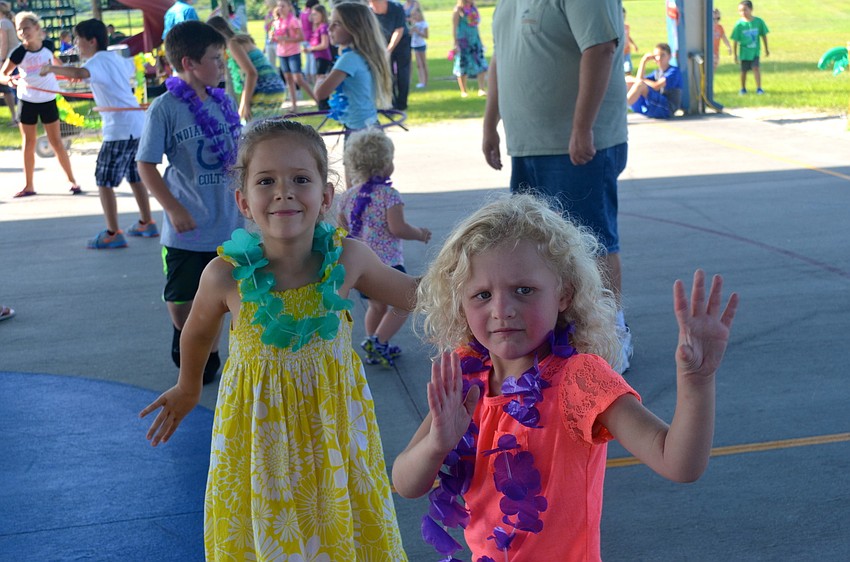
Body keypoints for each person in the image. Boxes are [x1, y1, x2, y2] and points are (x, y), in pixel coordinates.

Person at [392, 194, 739, 560]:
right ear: (460, 304)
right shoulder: (466, 378)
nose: (502, 310)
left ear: (564, 294)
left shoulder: (580, 380)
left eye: (523, 290)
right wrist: (437, 443)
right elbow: (405, 481)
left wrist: (697, 382)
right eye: (482, 295)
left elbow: (678, 463)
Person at [139, 118, 413, 560]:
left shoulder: (349, 259)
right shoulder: (225, 275)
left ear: (326, 197)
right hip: (259, 439)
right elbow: (197, 332)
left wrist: (480, 278)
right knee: (271, 534)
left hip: (333, 434)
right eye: (266, 181)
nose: (283, 192)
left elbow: (415, 295)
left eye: (300, 179)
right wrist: (188, 386)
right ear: (243, 201)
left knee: (339, 531)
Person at [481, 0, 632, 371]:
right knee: (535, 247)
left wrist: (582, 127)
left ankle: (610, 337)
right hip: (528, 144)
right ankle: (559, 338)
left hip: (576, 146)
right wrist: (490, 123)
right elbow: (501, 59)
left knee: (592, 244)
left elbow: (600, 49)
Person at [136, 20, 244, 383]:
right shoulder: (165, 108)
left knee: (222, 295)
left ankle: (207, 345)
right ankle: (184, 331)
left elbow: (240, 154)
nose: (222, 65)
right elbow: (145, 164)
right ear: (189, 63)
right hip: (187, 228)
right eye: (215, 58)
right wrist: (173, 208)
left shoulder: (224, 102)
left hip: (228, 224)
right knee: (182, 297)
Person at [40, 19, 156, 249]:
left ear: (92, 41)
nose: (76, 44)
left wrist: (51, 68)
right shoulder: (114, 58)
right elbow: (94, 74)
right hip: (136, 126)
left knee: (104, 181)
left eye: (78, 39)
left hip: (119, 130)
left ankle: (113, 233)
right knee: (135, 176)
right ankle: (147, 222)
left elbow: (80, 72)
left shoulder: (97, 61)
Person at [337, 128, 431, 366]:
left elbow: (342, 229)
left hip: (361, 266)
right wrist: (420, 234)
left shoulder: (347, 196)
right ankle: (378, 341)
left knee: (376, 306)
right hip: (387, 264)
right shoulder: (389, 195)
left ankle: (373, 344)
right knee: (407, 301)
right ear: (384, 165)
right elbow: (398, 228)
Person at [1, 11, 80, 198]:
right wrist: (9, 80)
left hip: (48, 99)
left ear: (37, 28)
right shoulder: (19, 53)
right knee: (29, 143)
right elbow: (3, 74)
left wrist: (67, 74)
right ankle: (28, 186)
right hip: (28, 100)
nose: (23, 32)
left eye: (26, 28)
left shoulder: (48, 46)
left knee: (56, 142)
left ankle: (72, 181)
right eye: (19, 30)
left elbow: (55, 62)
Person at [315, 1, 392, 133]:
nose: (329, 28)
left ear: (354, 28)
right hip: (370, 125)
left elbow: (320, 94)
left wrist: (320, 80)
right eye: (330, 22)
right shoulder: (363, 55)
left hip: (359, 131)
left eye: (337, 24)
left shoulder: (349, 59)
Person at [208, 15, 286, 121]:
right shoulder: (242, 39)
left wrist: (246, 104)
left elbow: (251, 73)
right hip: (276, 86)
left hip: (264, 88)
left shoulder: (233, 44)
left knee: (251, 127)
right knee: (264, 127)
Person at [272, 0, 317, 113]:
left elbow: (301, 38)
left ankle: (317, 100)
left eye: (283, 6)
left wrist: (286, 39)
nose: (280, 8)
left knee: (298, 79)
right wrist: (274, 38)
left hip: (293, 52)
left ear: (289, 7)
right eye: (279, 6)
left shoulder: (293, 20)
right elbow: (275, 36)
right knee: (288, 79)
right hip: (282, 53)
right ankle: (294, 106)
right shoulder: (277, 21)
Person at [369, 0, 410, 111]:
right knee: (387, 72)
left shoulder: (396, 7)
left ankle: (402, 103)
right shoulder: (369, 11)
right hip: (382, 42)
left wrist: (389, 50)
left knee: (403, 72)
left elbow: (399, 30)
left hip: (402, 41)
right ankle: (391, 102)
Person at [625, 43, 683, 119]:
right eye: (656, 56)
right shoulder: (657, 72)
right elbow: (639, 80)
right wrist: (643, 61)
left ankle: (620, 109)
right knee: (629, 82)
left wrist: (640, 81)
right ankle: (617, 107)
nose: (659, 58)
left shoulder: (673, 71)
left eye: (662, 55)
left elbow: (656, 86)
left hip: (667, 108)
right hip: (655, 105)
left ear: (669, 56)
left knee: (640, 84)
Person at [731, 0, 769, 95]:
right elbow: (735, 41)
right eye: (740, 11)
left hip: (755, 51)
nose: (743, 13)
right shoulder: (739, 25)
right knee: (743, 71)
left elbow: (763, 35)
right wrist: (735, 55)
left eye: (745, 10)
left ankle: (759, 88)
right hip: (744, 53)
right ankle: (743, 89)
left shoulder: (758, 22)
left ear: (751, 9)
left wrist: (766, 49)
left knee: (756, 68)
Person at [451, 0, 487, 98]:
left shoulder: (473, 9)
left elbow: (476, 26)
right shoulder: (458, 10)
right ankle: (464, 91)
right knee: (463, 64)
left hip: (474, 40)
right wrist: (455, 43)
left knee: (480, 63)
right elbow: (454, 27)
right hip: (463, 41)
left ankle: (481, 89)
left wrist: (480, 40)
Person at [306, 3, 332, 109]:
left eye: (316, 14)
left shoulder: (323, 27)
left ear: (322, 14)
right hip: (318, 58)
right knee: (319, 80)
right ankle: (322, 104)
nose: (313, 17)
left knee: (321, 81)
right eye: (312, 14)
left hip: (323, 58)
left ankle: (323, 104)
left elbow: (324, 44)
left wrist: (311, 49)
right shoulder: (317, 27)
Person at [0, 1, 20, 126]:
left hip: (9, 59)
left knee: (12, 88)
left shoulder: (3, 23)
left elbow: (4, 43)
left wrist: (2, 60)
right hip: (14, 58)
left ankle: (17, 117)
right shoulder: (8, 22)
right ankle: (16, 117)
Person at [409, 6, 428, 89]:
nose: (414, 17)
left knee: (423, 64)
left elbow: (426, 36)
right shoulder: (414, 24)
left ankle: (424, 81)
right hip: (414, 45)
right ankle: (421, 81)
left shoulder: (424, 24)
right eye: (413, 15)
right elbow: (410, 34)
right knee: (418, 65)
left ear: (420, 14)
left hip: (421, 45)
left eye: (415, 15)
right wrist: (411, 31)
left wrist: (418, 32)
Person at [300, 0, 316, 85]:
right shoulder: (311, 13)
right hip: (311, 38)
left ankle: (307, 77)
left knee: (308, 60)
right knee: (312, 59)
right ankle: (312, 78)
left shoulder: (303, 13)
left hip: (304, 37)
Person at [622, 7, 639, 74]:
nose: (623, 18)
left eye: (624, 16)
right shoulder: (617, 27)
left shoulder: (626, 26)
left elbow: (628, 37)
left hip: (627, 51)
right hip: (620, 53)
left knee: (628, 69)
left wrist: (634, 45)